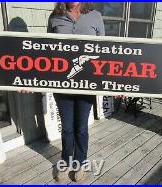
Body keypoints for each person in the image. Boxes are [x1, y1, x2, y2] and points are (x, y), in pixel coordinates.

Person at [47, 2, 105, 182]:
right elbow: (45, 49)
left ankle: (80, 163)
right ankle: (66, 162)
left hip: (87, 85)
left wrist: (119, 84)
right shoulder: (54, 17)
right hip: (62, 84)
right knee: (67, 128)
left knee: (80, 128)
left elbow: (105, 51)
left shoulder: (96, 16)